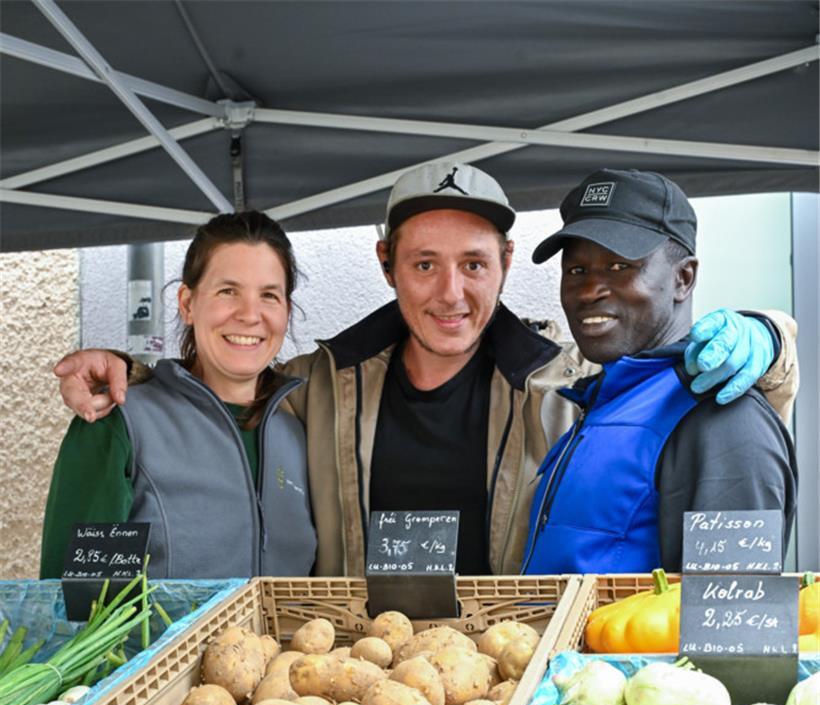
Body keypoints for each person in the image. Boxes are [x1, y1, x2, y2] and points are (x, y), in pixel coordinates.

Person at [52, 161, 798, 577]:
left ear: (506, 264)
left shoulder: (566, 386)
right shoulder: (317, 388)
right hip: (353, 686)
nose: (450, 293)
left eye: (473, 264)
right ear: (386, 265)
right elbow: (229, 379)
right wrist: (133, 370)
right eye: (423, 264)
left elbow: (683, 385)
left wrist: (772, 340)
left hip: (508, 683)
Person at [520, 169, 797, 574]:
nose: (589, 290)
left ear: (684, 278)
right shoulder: (601, 401)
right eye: (576, 270)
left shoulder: (721, 414)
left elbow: (731, 605)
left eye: (619, 266)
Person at [41, 212, 316, 579]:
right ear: (187, 303)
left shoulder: (297, 435)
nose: (250, 315)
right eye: (228, 291)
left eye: (269, 295)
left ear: (286, 311)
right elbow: (78, 595)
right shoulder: (121, 424)